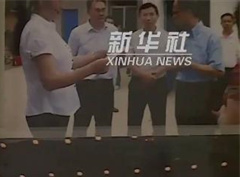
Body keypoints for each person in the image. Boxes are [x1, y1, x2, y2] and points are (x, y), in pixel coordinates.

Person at [13, 0, 109, 137]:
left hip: (56, 110)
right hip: (46, 112)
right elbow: (50, 80)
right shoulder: (37, 31)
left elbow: (66, 63)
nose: (61, 4)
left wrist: (95, 56)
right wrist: (92, 69)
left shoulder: (47, 27)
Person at [172, 0, 224, 135]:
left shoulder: (210, 37)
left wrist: (191, 64)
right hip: (182, 89)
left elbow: (218, 70)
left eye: (176, 12)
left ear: (188, 12)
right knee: (183, 133)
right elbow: (174, 63)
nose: (174, 16)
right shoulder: (180, 38)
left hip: (203, 91)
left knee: (204, 135)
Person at [69, 0, 117, 137]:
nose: (101, 13)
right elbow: (70, 60)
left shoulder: (113, 31)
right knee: (80, 126)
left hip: (106, 86)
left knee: (105, 127)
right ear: (89, 11)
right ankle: (78, 150)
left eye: (103, 10)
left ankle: (102, 150)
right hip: (84, 85)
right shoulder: (77, 33)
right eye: (97, 10)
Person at [127, 3, 169, 136]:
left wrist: (155, 74)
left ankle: (159, 147)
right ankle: (133, 145)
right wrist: (143, 75)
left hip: (158, 82)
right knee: (133, 120)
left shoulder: (166, 36)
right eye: (145, 15)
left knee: (159, 120)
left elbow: (169, 59)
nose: (148, 18)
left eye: (151, 14)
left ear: (157, 16)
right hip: (137, 82)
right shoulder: (134, 36)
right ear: (139, 17)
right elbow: (129, 60)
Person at [216, 13, 240, 111]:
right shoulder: (217, 38)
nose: (226, 23)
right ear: (221, 23)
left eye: (229, 21)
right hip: (219, 70)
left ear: (233, 22)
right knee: (218, 93)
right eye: (224, 21)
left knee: (232, 95)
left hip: (234, 71)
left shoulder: (237, 38)